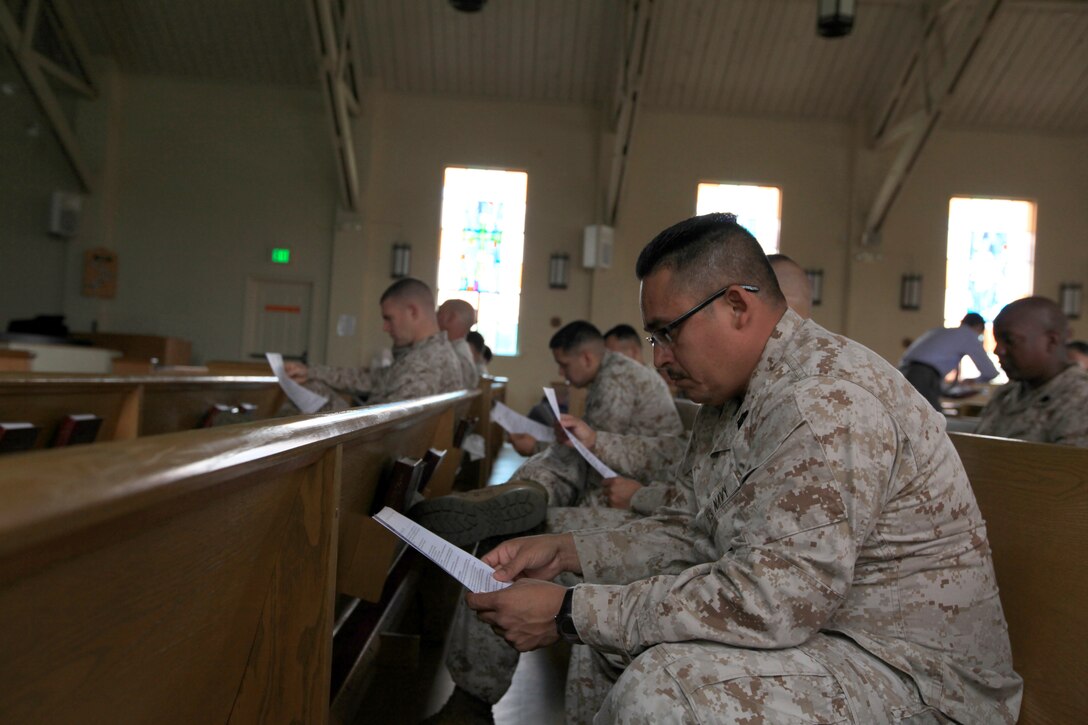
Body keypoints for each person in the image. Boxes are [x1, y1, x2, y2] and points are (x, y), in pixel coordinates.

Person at [462, 213, 1020, 723]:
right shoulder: (734, 395)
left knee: (662, 691)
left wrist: (568, 610)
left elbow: (771, 602)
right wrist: (569, 554)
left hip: (916, 675)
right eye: (653, 337)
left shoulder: (824, 402)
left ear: (736, 305)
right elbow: (693, 531)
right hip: (830, 633)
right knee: (608, 641)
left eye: (667, 332)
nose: (657, 356)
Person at [413, 320, 683, 546]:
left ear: (587, 358)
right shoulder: (614, 373)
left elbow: (592, 456)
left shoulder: (616, 378)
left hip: (643, 478)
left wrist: (536, 447)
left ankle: (518, 493)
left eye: (564, 365)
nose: (561, 373)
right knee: (559, 458)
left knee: (560, 465)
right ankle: (514, 496)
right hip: (629, 468)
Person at [285, 277, 468, 407]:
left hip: (377, 452)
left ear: (413, 312)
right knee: (311, 387)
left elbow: (385, 430)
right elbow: (372, 379)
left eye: (389, 319)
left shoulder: (426, 362)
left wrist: (322, 397)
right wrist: (311, 372)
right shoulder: (425, 352)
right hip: (384, 447)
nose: (385, 328)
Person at [975, 297, 1088, 447]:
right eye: (997, 341)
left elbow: (1069, 468)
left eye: (1009, 340)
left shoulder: (1081, 399)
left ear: (1051, 341)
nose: (998, 350)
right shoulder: (1006, 394)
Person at [897, 312, 999, 410]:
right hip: (922, 376)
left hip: (902, 373)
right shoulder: (968, 334)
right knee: (932, 421)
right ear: (978, 327)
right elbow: (990, 372)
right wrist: (972, 381)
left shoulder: (938, 331)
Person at [437, 298, 481, 388]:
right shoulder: (461, 348)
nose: (435, 318)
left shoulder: (452, 353)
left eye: (439, 313)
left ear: (451, 318)